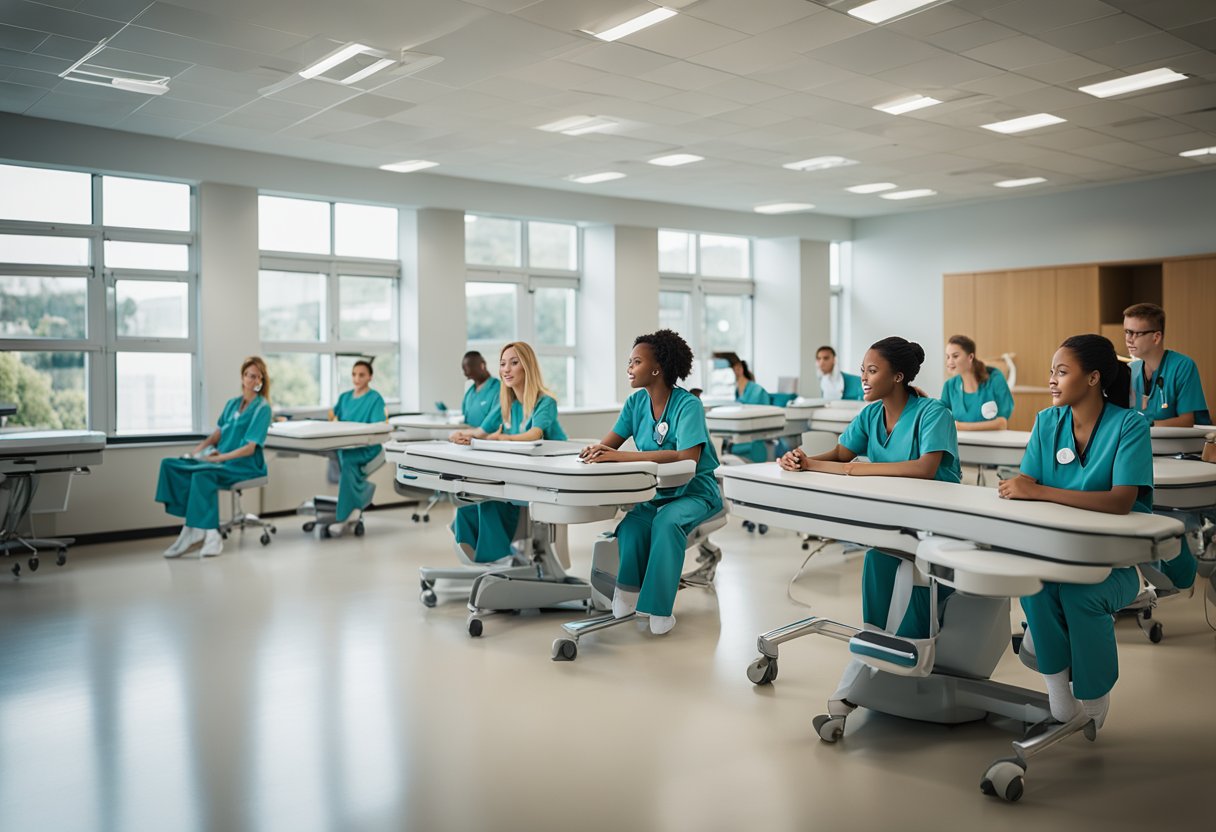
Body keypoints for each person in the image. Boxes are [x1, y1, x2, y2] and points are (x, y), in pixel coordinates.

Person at [998, 334, 1153, 729]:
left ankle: (1094, 693)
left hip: (1115, 560)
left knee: (1079, 593)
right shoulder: (1047, 421)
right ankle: (1058, 691)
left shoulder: (1129, 425)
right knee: (1035, 585)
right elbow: (1023, 486)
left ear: (1093, 378)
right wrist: (1030, 490)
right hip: (1057, 552)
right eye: (1051, 372)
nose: (1052, 379)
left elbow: (1120, 500)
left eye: (1062, 372)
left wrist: (1039, 491)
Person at [780, 336, 961, 638]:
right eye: (863, 370)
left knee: (918, 567)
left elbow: (924, 468)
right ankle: (874, 638)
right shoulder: (871, 414)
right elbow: (841, 454)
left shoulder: (933, 412)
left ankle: (913, 643)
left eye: (872, 371)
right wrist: (802, 459)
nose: (863, 377)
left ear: (898, 376)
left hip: (939, 520)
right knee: (878, 557)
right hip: (897, 517)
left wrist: (856, 470)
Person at [581, 330, 721, 635]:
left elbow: (687, 457)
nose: (629, 368)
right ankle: (628, 592)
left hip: (696, 492)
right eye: (630, 362)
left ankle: (659, 608)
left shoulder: (688, 406)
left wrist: (620, 458)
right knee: (632, 525)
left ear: (657, 369)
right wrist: (594, 451)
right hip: (657, 493)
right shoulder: (635, 404)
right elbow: (609, 445)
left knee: (666, 523)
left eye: (636, 362)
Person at [449, 342, 566, 563]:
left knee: (491, 499)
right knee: (475, 498)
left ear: (528, 367)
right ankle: (488, 555)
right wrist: (463, 436)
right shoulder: (508, 403)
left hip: (549, 480)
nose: (506, 369)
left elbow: (534, 434)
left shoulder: (545, 402)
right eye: (503, 364)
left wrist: (502, 438)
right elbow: (481, 432)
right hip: (518, 476)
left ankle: (499, 557)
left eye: (514, 363)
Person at [157, 357, 273, 558]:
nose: (252, 380)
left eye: (256, 377)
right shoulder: (232, 404)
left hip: (244, 465)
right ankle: (198, 529)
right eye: (248, 375)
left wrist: (221, 458)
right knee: (170, 465)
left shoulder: (263, 408)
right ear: (242, 377)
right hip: (220, 460)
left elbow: (249, 448)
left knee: (202, 476)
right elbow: (217, 435)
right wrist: (196, 452)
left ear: (261, 380)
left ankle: (203, 533)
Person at [326, 359, 387, 537]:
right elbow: (333, 414)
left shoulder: (375, 399)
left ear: (370, 377)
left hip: (367, 447)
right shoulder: (344, 397)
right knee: (344, 456)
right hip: (345, 446)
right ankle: (358, 501)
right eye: (354, 374)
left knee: (349, 462)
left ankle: (344, 516)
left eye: (361, 375)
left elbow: (378, 426)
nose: (357, 378)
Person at [1123, 303, 1210, 427]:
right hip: (1141, 443)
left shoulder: (1182, 366)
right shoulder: (1131, 369)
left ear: (1156, 337)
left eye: (1135, 333)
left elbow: (1186, 421)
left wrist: (1146, 425)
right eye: (1127, 332)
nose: (1128, 339)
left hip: (1178, 445)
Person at [940, 335, 1014, 431]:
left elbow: (1002, 423)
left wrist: (959, 426)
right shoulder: (949, 386)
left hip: (992, 443)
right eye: (948, 357)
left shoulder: (994, 378)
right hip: (961, 443)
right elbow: (942, 419)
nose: (949, 362)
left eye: (955, 356)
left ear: (970, 357)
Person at [715, 351, 771, 463]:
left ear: (739, 369)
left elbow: (764, 423)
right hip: (736, 444)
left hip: (752, 446)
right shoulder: (737, 392)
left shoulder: (757, 391)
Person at [454, 350, 501, 439]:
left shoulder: (498, 389)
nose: (466, 374)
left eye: (468, 369)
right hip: (468, 441)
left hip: (488, 442)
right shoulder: (469, 393)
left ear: (482, 365)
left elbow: (496, 423)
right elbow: (465, 420)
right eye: (464, 370)